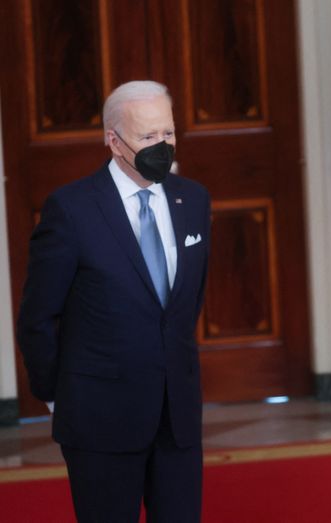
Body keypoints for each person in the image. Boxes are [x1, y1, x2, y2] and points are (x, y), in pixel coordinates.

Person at [17, 80, 210, 521]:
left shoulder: (193, 200)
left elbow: (186, 303)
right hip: (98, 418)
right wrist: (55, 393)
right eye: (147, 137)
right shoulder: (71, 210)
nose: (162, 146)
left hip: (176, 416)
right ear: (113, 141)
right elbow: (38, 316)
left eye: (168, 133)